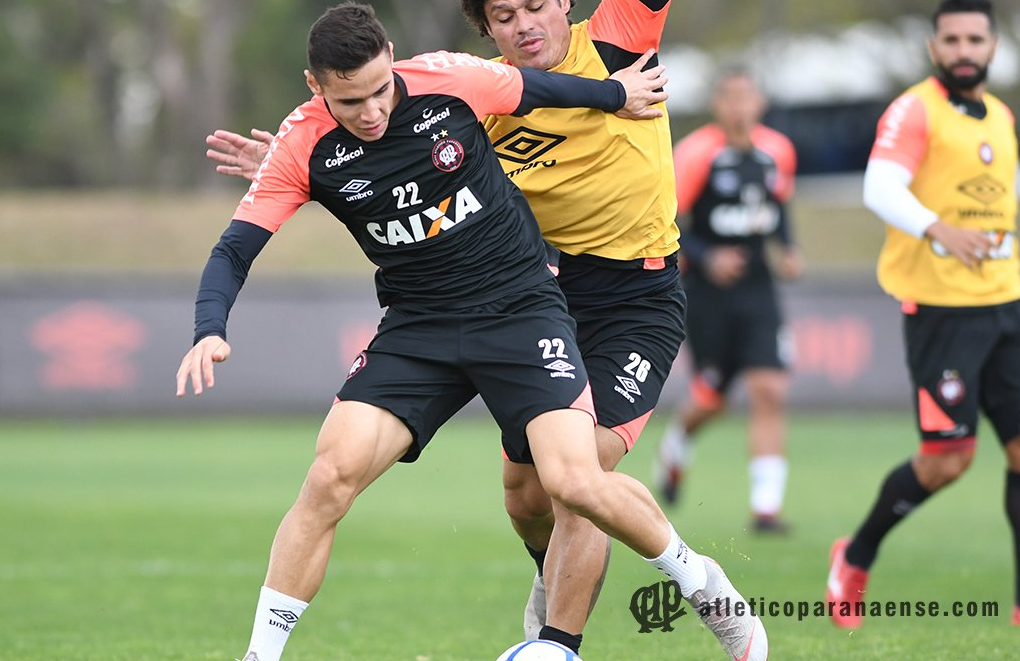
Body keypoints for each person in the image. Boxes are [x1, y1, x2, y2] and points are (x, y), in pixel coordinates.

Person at [180, 4, 768, 661]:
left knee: (576, 478)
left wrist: (616, 93)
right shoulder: (376, 118)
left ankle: (624, 619)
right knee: (381, 481)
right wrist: (293, 181)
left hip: (587, 300)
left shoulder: (488, 73)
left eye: (535, 4)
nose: (372, 111)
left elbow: (549, 88)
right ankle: (259, 657)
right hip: (430, 320)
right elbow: (244, 242)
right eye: (504, 13)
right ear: (318, 87)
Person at [825, 0, 1020, 629]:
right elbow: (879, 186)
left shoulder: (1000, 116)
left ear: (993, 46)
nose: (964, 49)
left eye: (975, 39)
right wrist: (941, 230)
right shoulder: (916, 109)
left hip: (1007, 304)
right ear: (935, 47)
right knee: (948, 459)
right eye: (953, 39)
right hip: (942, 311)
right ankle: (854, 556)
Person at [654, 68, 801, 533]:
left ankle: (766, 508)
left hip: (759, 287)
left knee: (769, 390)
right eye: (731, 98)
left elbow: (777, 206)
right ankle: (676, 445)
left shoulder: (777, 150)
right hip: (709, 292)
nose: (740, 107)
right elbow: (667, 217)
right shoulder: (698, 153)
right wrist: (706, 256)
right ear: (719, 105)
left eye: (747, 97)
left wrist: (788, 248)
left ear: (759, 102)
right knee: (712, 398)